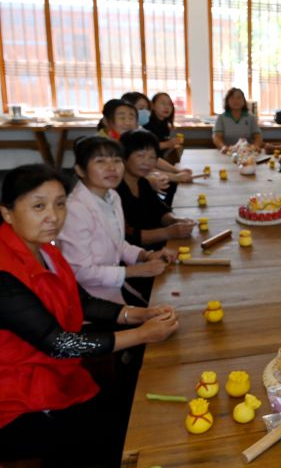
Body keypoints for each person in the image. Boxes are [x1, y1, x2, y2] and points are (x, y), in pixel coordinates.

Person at [0, 164, 179, 464]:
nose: (53, 217)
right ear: (7, 213)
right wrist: (141, 334)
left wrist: (137, 314)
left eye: (60, 204)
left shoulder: (45, 249)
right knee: (117, 435)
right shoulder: (4, 274)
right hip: (17, 400)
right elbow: (60, 344)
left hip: (58, 376)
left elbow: (79, 301)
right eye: (38, 206)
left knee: (133, 401)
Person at [57, 136, 175, 305]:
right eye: (100, 161)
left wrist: (147, 255)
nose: (112, 168)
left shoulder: (112, 195)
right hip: (88, 299)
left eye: (117, 160)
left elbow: (117, 243)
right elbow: (80, 272)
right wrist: (133, 271)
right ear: (80, 170)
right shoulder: (75, 209)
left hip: (114, 287)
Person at [116, 129, 195, 251]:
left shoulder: (143, 183)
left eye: (152, 157)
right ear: (124, 157)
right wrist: (168, 232)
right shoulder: (115, 190)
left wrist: (174, 220)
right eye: (140, 155)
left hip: (154, 247)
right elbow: (127, 236)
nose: (147, 162)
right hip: (135, 256)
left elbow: (159, 210)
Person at [143, 92, 183, 162]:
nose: (167, 107)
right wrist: (168, 144)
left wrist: (171, 144)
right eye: (163, 103)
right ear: (153, 106)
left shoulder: (164, 124)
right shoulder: (147, 123)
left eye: (170, 104)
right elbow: (146, 147)